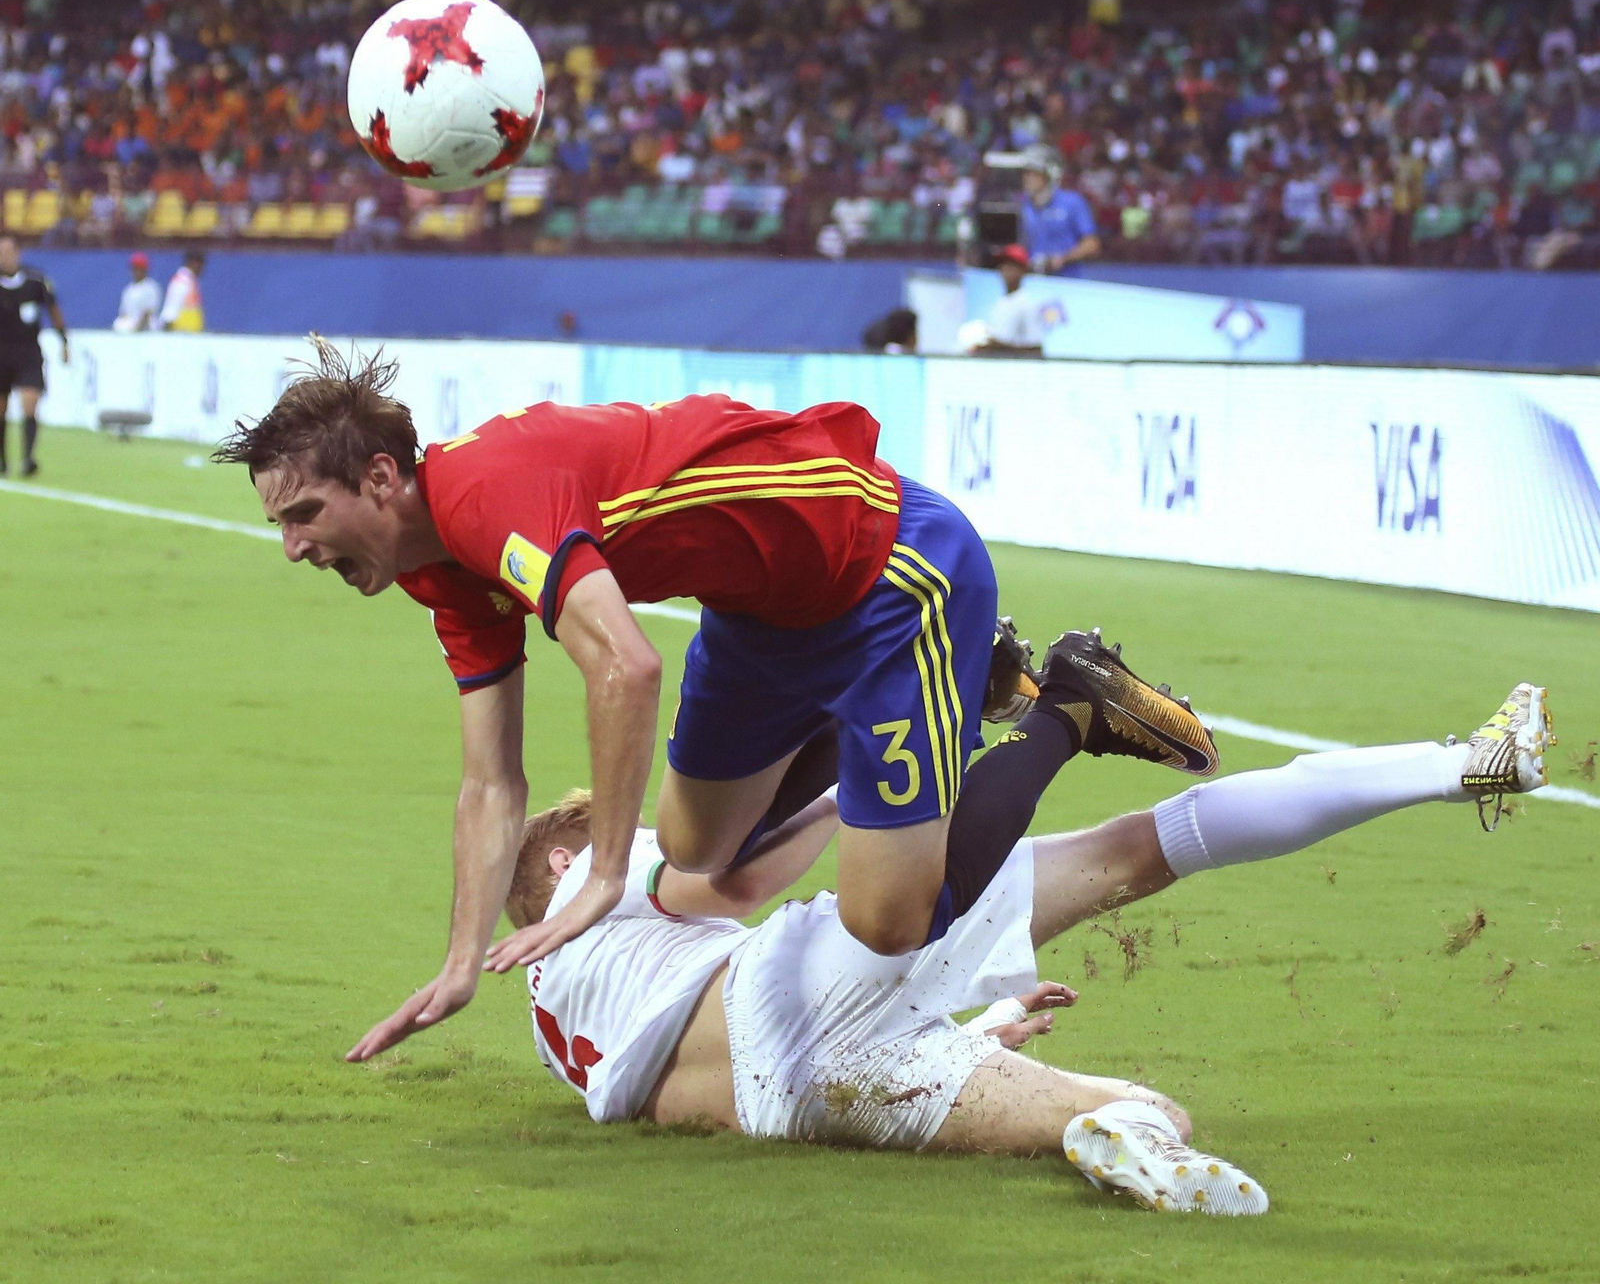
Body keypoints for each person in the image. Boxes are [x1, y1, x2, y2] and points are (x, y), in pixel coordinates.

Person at [212, 340, 1217, 1062]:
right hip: (756, 614)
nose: (294, 546)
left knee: (890, 922)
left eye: (304, 514)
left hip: (883, 571)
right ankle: (940, 689)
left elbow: (625, 667)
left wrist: (605, 872)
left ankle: (1068, 706)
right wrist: (462, 960)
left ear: (380, 478)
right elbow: (491, 783)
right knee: (694, 844)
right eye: (281, 525)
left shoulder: (480, 503)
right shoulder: (442, 572)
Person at [501, 681, 1552, 1214]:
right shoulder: (601, 882)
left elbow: (747, 1045)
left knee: (1144, 1109)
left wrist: (988, 1025)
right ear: (558, 869)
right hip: (789, 984)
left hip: (812, 1098)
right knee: (1141, 848)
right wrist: (850, 791)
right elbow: (718, 872)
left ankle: (1129, 1139)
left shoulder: (561, 1026)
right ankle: (1463, 762)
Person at [0, 234, 69, 478]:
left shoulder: (35, 280)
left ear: (17, 253)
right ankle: (3, 461)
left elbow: (53, 309)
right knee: (2, 407)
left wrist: (64, 340)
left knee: (30, 402)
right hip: (1, 352)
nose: (3, 257)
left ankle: (28, 458)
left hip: (28, 351)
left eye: (7, 252)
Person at [1018, 146, 1100, 274]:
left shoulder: (1072, 202)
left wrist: (1062, 259)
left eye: (1033, 173)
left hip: (1067, 282)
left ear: (1050, 174)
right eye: (1025, 173)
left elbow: (1091, 244)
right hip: (1034, 282)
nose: (1026, 178)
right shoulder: (1023, 207)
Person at [973, 243, 1045, 354]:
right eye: (1003, 265)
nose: (1005, 270)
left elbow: (1036, 349)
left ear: (1023, 270)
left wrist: (996, 347)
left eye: (1011, 266)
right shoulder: (1001, 302)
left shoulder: (1026, 304)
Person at [113, 252, 162, 332]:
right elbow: (124, 313)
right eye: (135, 268)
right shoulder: (128, 289)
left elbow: (148, 313)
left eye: (140, 268)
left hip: (147, 330)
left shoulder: (151, 287)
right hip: (130, 326)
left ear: (145, 269)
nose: (137, 271)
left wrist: (138, 332)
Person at [160, 249, 206, 331]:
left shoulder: (190, 281)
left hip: (190, 334)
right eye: (201, 265)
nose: (202, 269)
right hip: (181, 335)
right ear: (194, 263)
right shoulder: (181, 282)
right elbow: (170, 312)